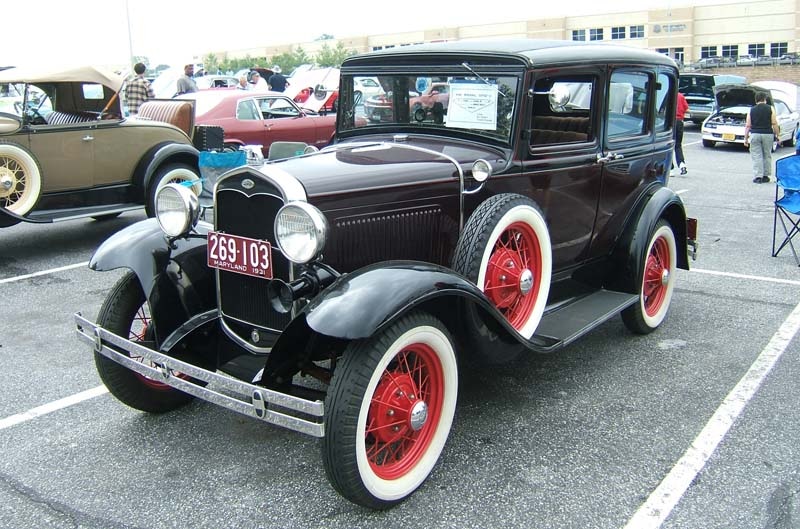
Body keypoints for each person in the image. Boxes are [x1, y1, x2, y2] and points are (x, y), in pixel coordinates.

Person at [743, 91, 780, 183]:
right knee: (767, 154)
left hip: (755, 134)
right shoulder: (770, 108)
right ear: (765, 99)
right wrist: (778, 135)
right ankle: (766, 176)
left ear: (756, 100)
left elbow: (748, 125)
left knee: (756, 155)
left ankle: (758, 176)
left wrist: (746, 138)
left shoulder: (751, 110)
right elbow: (774, 123)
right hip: (767, 134)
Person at [675, 91, 689, 175]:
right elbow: (686, 109)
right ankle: (681, 164)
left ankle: (671, 169)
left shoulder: (668, 94)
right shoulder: (680, 96)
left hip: (669, 122)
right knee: (678, 145)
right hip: (679, 122)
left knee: (668, 144)